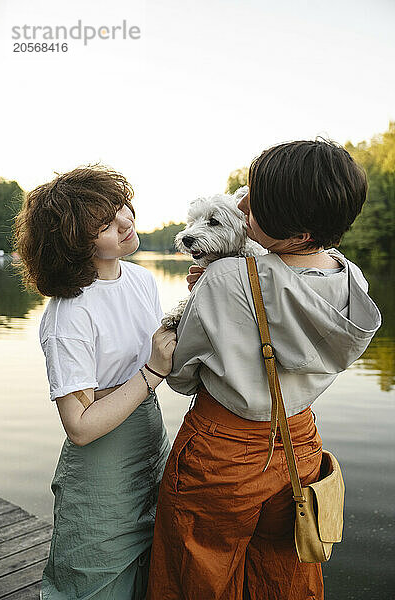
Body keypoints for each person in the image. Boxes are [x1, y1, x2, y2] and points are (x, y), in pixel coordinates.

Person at [146, 140, 382, 600]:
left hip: (222, 451)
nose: (244, 204)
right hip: (299, 443)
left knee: (199, 574)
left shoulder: (225, 278)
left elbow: (182, 374)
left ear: (288, 224)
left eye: (255, 198)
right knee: (284, 574)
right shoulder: (349, 275)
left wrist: (214, 288)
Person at [14, 166, 176, 600]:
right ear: (72, 245)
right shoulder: (70, 313)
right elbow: (81, 427)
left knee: (150, 571)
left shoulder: (140, 279)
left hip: (151, 438)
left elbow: (136, 375)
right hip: (101, 464)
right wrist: (153, 372)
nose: (124, 222)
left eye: (118, 208)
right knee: (93, 583)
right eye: (104, 225)